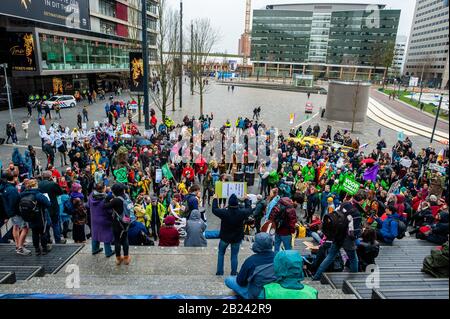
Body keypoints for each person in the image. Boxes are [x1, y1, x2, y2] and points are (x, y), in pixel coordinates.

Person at [312, 191, 364, 281]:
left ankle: (317, 276)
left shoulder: (344, 204)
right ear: (362, 201)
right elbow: (353, 233)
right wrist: (360, 233)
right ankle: (353, 281)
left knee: (330, 256)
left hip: (337, 234)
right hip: (347, 239)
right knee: (353, 259)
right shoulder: (356, 213)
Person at [224, 232, 276, 299]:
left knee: (229, 280)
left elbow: (240, 282)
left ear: (257, 245)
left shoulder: (251, 261)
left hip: (257, 294)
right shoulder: (278, 257)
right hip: (273, 290)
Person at [212, 193, 253, 276]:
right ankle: (234, 272)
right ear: (237, 204)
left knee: (221, 253)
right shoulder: (241, 213)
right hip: (237, 237)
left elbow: (214, 209)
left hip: (225, 237)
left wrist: (215, 199)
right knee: (234, 255)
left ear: (229, 203)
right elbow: (249, 210)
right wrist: (246, 199)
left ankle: (220, 272)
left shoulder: (224, 212)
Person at [1, 172, 31, 255]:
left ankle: (18, 244)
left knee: (16, 227)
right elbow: (15, 202)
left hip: (10, 212)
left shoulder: (4, 187)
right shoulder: (12, 189)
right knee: (25, 228)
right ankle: (20, 248)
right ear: (14, 178)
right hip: (16, 212)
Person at [19, 179, 52, 255]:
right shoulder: (38, 194)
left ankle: (37, 249)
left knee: (34, 232)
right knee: (43, 232)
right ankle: (44, 248)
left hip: (29, 216)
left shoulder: (23, 194)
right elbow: (48, 204)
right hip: (40, 216)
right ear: (36, 185)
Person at [104, 184, 131, 265]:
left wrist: (107, 198)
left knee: (117, 240)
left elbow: (106, 206)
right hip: (126, 221)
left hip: (117, 222)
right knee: (125, 239)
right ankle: (126, 258)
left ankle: (118, 258)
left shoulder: (115, 200)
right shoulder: (126, 197)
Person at [38, 171, 65, 244]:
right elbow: (61, 192)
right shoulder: (53, 184)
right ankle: (58, 240)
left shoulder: (39, 184)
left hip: (43, 207)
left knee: (46, 225)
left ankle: (48, 239)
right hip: (53, 206)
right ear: (50, 177)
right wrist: (55, 182)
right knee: (55, 224)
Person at [89, 183, 114, 257]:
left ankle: (94, 249)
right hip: (104, 219)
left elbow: (88, 204)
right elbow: (109, 211)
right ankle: (108, 252)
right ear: (103, 189)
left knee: (95, 233)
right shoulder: (105, 199)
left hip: (94, 218)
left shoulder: (91, 195)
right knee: (107, 234)